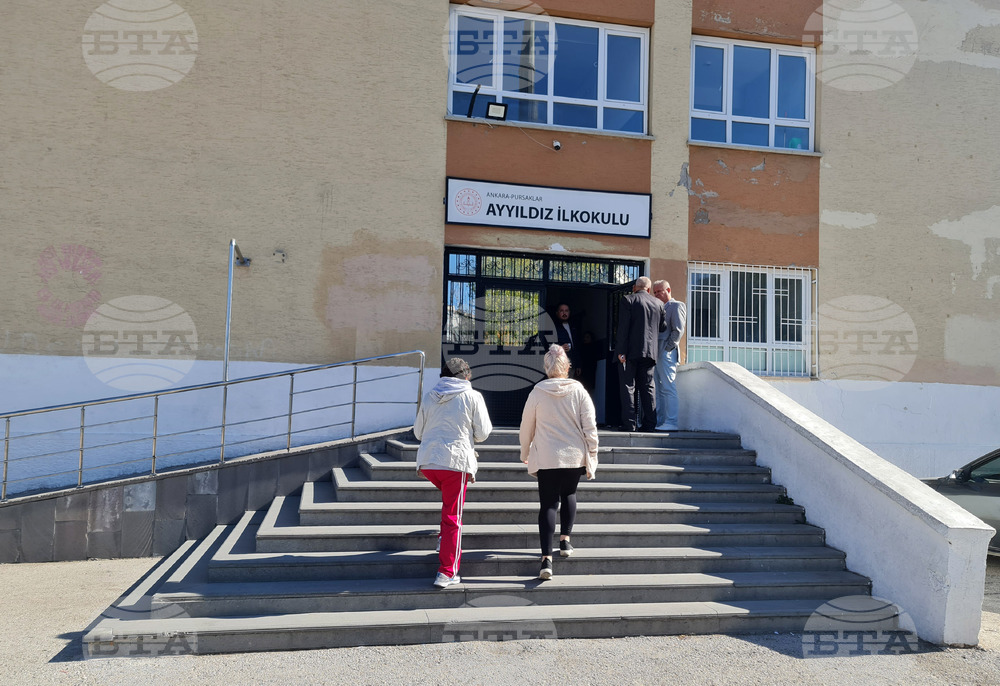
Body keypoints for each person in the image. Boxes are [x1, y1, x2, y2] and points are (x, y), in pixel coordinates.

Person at [519, 344, 598, 580]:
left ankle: (546, 560)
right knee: (569, 494)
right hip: (574, 455)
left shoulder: (537, 392)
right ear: (567, 367)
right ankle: (565, 541)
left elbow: (526, 426)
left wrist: (525, 450)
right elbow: (590, 426)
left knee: (548, 505)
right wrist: (592, 453)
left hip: (547, 456)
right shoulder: (579, 391)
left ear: (546, 367)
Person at [413, 357, 492, 589]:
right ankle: (447, 572)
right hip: (455, 463)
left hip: (429, 463)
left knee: (449, 508)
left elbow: (418, 432)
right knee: (452, 518)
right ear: (466, 375)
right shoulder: (473, 396)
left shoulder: (430, 396)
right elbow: (483, 433)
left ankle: (443, 541)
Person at [614, 276, 666, 432]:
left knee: (628, 387)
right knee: (648, 387)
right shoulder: (659, 303)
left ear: (635, 288)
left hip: (630, 352)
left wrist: (621, 351)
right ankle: (650, 424)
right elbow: (662, 327)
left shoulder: (628, 300)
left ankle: (630, 424)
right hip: (650, 353)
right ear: (649, 289)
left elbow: (623, 327)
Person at [652, 280, 686, 431]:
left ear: (668, 290)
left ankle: (671, 422)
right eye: (655, 292)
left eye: (659, 291)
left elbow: (678, 330)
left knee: (668, 387)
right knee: (657, 389)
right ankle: (660, 421)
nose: (657, 294)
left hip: (667, 352)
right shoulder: (657, 307)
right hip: (655, 353)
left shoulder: (676, 306)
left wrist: (667, 349)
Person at [553, 303, 582, 377]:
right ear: (557, 313)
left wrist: (578, 365)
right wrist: (560, 347)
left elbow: (576, 346)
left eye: (566, 311)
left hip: (571, 364)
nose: (564, 313)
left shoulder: (573, 327)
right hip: (558, 364)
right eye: (561, 311)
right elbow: (548, 345)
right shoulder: (553, 327)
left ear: (569, 312)